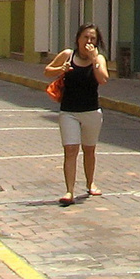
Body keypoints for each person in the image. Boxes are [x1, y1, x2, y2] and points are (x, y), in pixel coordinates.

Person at [45, 22, 109, 206]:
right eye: (85, 37)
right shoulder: (68, 55)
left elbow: (103, 79)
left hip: (91, 111)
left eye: (93, 39)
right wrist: (61, 69)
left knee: (89, 150)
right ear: (78, 39)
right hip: (69, 111)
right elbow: (47, 71)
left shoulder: (99, 59)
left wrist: (94, 58)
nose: (88, 41)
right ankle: (69, 191)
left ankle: (90, 183)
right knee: (71, 149)